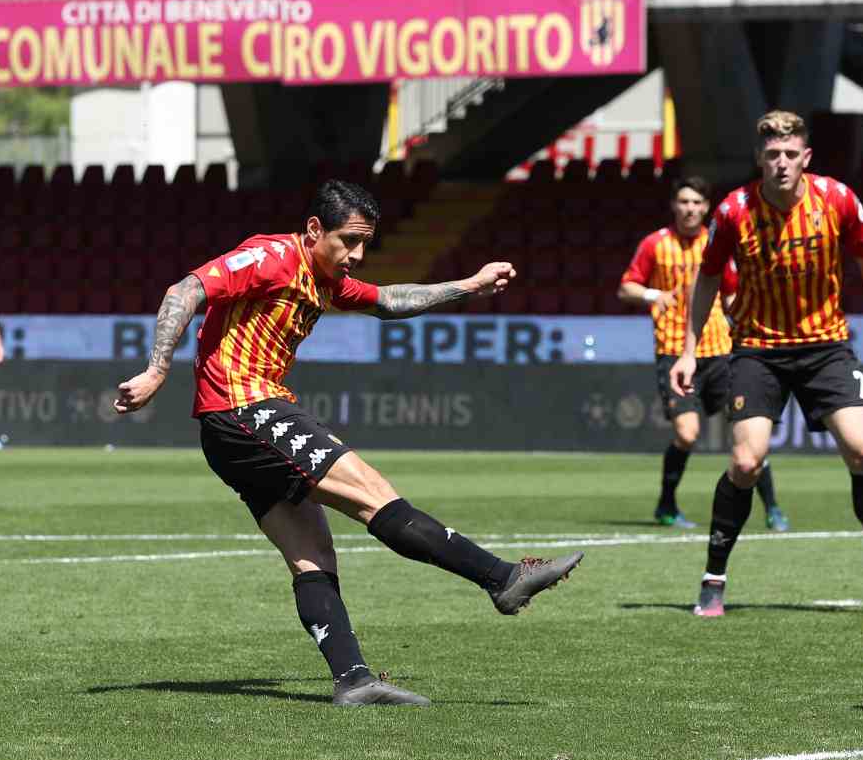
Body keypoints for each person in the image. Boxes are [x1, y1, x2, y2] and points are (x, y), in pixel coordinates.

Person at [113, 180, 583, 706]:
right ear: (315, 229)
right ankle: (502, 578)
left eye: (365, 243)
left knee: (312, 553)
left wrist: (468, 285)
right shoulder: (270, 256)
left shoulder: (327, 280)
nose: (357, 254)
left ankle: (353, 680)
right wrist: (158, 372)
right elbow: (185, 291)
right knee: (373, 494)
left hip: (230, 430)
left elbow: (389, 301)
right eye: (348, 240)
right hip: (245, 408)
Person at [671, 111, 863, 618]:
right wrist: (689, 349)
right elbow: (707, 279)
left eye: (790, 154)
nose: (781, 163)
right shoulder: (733, 211)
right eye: (772, 155)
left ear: (806, 158)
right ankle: (713, 579)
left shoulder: (837, 200)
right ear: (759, 159)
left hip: (826, 347)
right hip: (757, 350)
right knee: (747, 462)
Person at [618, 177, 789, 531]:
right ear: (674, 206)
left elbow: (729, 296)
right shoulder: (655, 244)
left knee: (747, 431)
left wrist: (747, 323)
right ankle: (666, 506)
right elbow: (626, 287)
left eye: (696, 203)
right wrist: (653, 296)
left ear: (706, 208)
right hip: (675, 353)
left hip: (721, 352)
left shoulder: (716, 245)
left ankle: (772, 508)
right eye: (684, 202)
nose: (690, 209)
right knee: (687, 434)